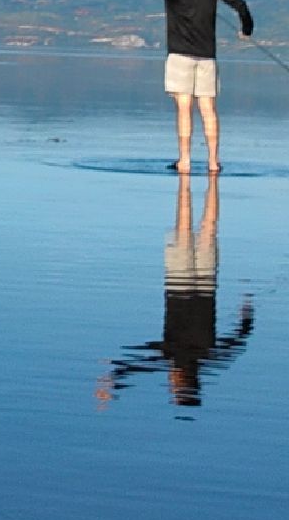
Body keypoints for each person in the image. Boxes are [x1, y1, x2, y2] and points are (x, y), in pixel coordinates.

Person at [96, 172, 255, 408]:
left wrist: (246, 315)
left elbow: (238, 341)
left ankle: (196, 183)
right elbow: (140, 363)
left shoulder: (208, 356)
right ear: (181, 383)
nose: (170, 382)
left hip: (205, 282)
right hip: (179, 281)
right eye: (174, 387)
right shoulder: (172, 354)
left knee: (208, 228)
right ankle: (191, 182)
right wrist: (113, 380)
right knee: (184, 227)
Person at [102, 0, 253, 173]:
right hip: (207, 57)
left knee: (184, 107)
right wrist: (247, 30)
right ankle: (214, 162)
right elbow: (240, 4)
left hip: (180, 56)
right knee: (208, 109)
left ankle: (185, 160)